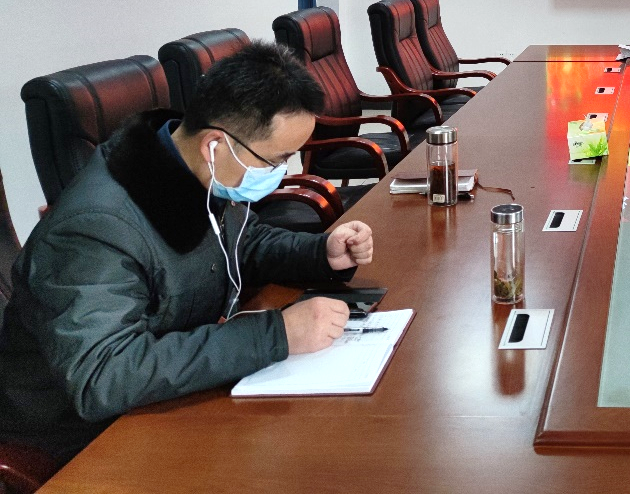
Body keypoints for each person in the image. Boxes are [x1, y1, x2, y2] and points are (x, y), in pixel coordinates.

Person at [0, 42, 375, 465]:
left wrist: (321, 253)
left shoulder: (197, 167)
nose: (281, 172)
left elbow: (243, 241)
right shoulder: (94, 228)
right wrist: (275, 335)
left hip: (162, 398)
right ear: (215, 143)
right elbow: (104, 375)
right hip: (78, 438)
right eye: (276, 159)